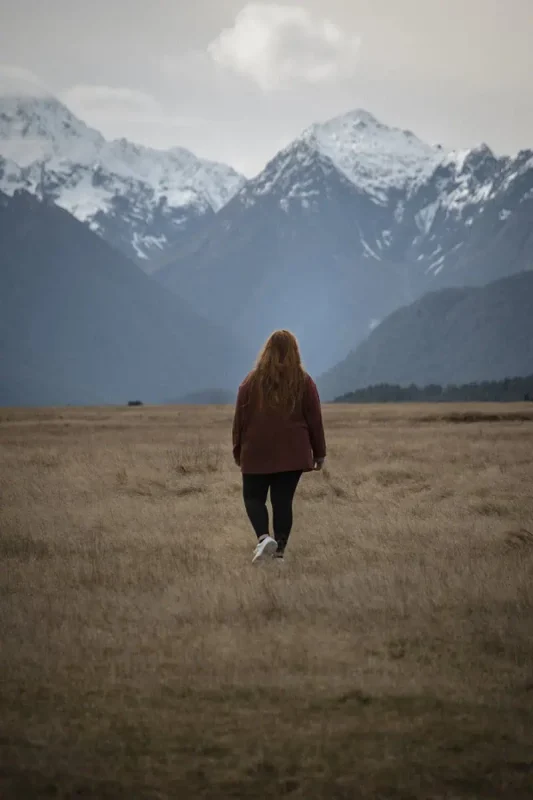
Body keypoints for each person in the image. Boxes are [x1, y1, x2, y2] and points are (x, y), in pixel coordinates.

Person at [232, 329, 327, 563]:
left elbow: (239, 421)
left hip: (256, 451)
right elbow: (315, 420)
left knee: (253, 498)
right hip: (293, 453)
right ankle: (280, 553)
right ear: (295, 352)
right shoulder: (304, 381)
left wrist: (237, 450)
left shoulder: (250, 381)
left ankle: (264, 538)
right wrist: (320, 452)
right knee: (282, 501)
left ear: (267, 351)